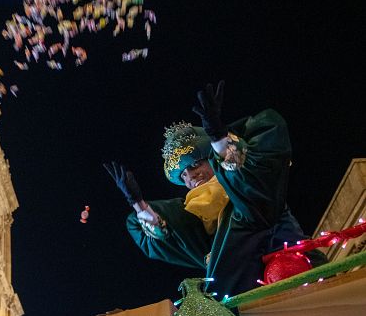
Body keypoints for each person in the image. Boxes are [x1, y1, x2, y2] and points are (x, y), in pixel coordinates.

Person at [104, 81, 325, 297]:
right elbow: (170, 238)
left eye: (195, 164)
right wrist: (138, 204)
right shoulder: (199, 222)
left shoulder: (246, 191)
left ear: (211, 160)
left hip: (303, 281)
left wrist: (220, 140)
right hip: (250, 306)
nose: (191, 176)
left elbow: (249, 182)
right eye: (183, 174)